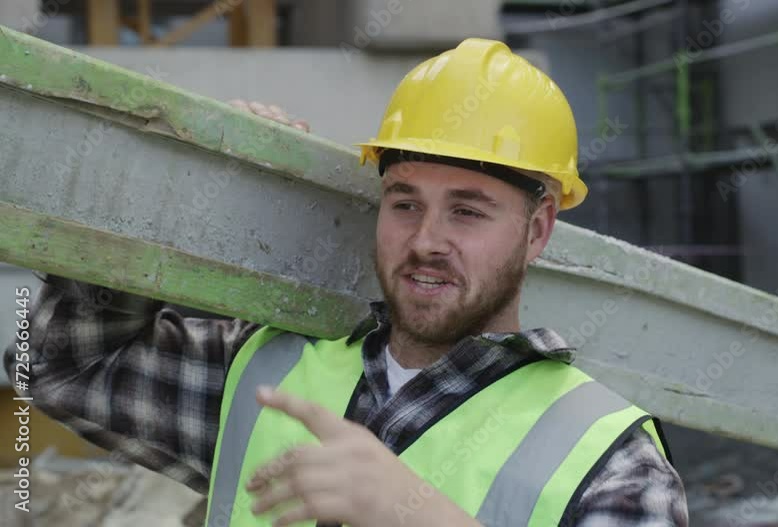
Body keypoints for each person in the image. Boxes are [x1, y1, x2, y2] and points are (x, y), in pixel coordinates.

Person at [4, 38, 687, 526]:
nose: (426, 240)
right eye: (404, 201)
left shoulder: (602, 453)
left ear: (537, 230)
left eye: (468, 211)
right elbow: (59, 365)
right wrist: (192, 199)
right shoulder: (262, 374)